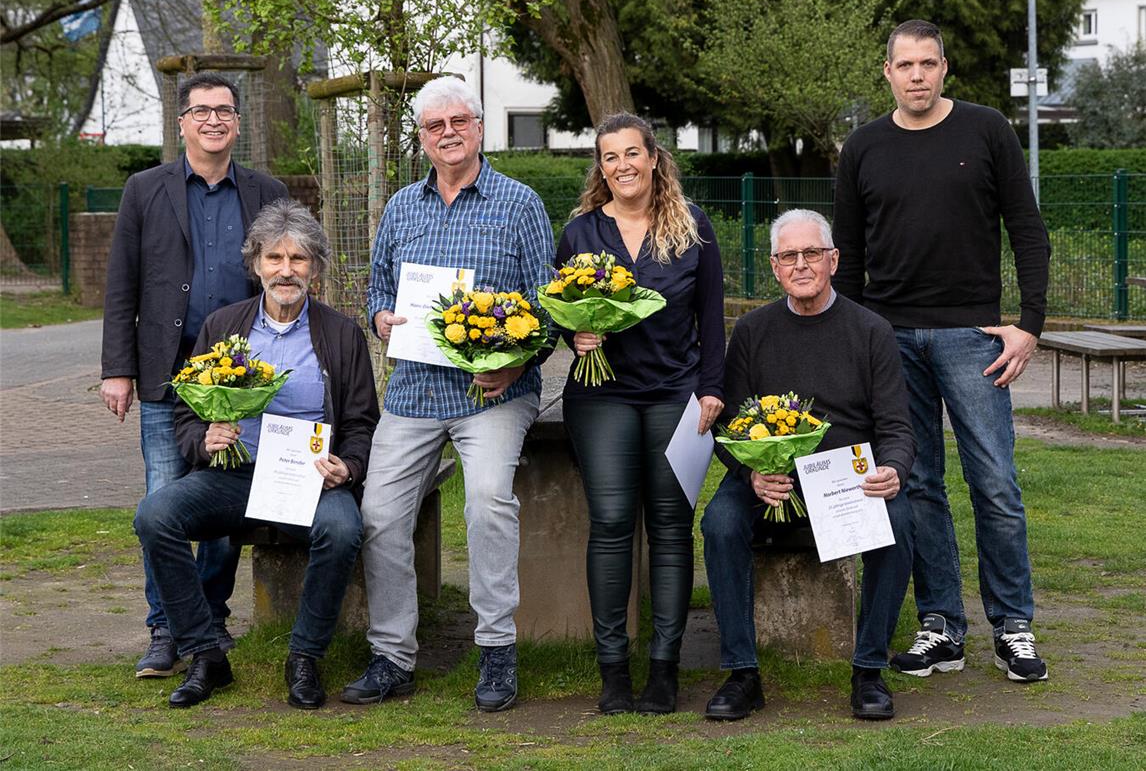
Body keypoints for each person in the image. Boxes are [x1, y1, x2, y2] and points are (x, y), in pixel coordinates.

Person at [833, 19, 1052, 683]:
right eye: (907, 65)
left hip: (973, 337)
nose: (918, 75)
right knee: (919, 483)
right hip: (889, 339)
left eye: (929, 63)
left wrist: (1029, 325)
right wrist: (852, 344)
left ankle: (1012, 625)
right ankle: (941, 627)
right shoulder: (863, 147)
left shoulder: (987, 131)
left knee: (995, 482)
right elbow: (849, 259)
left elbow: (1029, 233)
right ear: (888, 72)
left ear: (945, 69)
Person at [343, 76, 555, 713]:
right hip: (412, 392)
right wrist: (382, 320)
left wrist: (516, 369)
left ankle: (496, 648)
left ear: (480, 128)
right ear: (422, 138)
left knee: (488, 500)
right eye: (435, 127)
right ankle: (392, 656)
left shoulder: (518, 203)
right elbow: (379, 294)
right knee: (379, 515)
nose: (448, 133)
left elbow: (549, 305)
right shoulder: (403, 208)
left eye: (459, 121)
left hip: (493, 394)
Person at [134, 200, 380, 709]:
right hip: (235, 476)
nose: (286, 270)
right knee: (155, 515)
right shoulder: (224, 326)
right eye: (274, 258)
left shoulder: (341, 333)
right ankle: (205, 654)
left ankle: (305, 657)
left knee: (342, 529)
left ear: (316, 267)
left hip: (307, 479)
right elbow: (186, 413)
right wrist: (204, 440)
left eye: (299, 259)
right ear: (255, 264)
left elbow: (360, 421)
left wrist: (348, 466)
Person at [100, 72, 289, 678]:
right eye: (201, 111)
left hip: (242, 379)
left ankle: (206, 619)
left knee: (225, 508)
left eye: (225, 111)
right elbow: (121, 285)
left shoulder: (266, 192)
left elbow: (287, 280)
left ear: (238, 122)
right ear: (181, 121)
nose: (213, 120)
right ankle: (165, 628)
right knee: (163, 499)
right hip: (165, 375)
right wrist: (117, 371)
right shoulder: (144, 189)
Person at [701, 209, 915, 721]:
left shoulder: (871, 331)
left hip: (846, 479)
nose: (801, 265)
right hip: (770, 481)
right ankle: (742, 672)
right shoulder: (752, 331)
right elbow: (727, 425)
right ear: (774, 267)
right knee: (720, 522)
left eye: (812, 254)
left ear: (833, 261)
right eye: (789, 256)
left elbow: (897, 425)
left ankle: (868, 670)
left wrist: (894, 471)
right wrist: (750, 471)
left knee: (903, 520)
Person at [558, 112, 725, 715]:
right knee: (609, 522)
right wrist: (574, 333)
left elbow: (712, 317)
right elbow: (559, 311)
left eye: (633, 153)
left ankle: (664, 668)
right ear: (600, 168)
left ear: (655, 158)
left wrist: (711, 389)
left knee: (670, 526)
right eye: (610, 158)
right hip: (601, 395)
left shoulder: (692, 228)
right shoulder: (580, 233)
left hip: (675, 394)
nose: (623, 166)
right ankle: (613, 671)